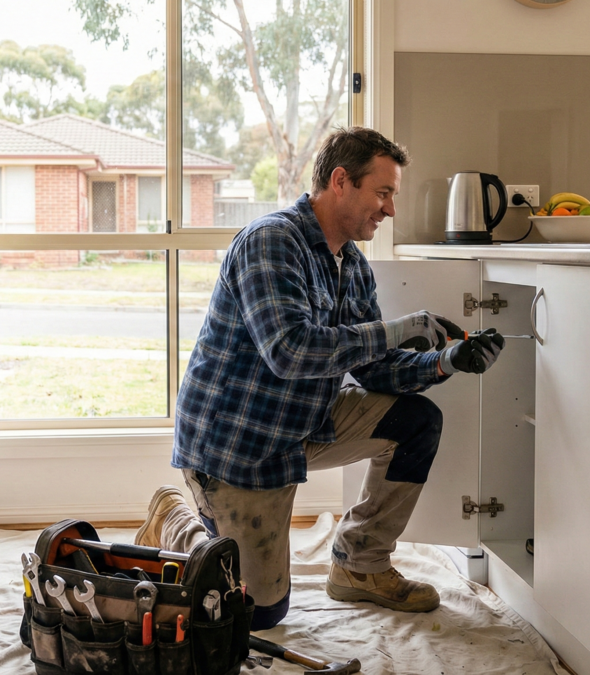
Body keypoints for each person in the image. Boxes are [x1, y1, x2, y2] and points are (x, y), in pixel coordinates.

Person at [136, 126, 505, 630]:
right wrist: (401, 328)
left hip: (306, 419)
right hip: (238, 445)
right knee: (258, 613)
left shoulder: (351, 264)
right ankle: (176, 520)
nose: (390, 209)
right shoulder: (271, 242)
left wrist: (446, 361)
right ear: (340, 181)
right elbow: (289, 352)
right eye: (383, 192)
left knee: (416, 420)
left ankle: (361, 565)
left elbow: (374, 369)